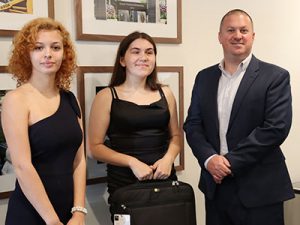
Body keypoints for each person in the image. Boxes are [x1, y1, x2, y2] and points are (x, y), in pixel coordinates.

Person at [184, 9, 294, 225]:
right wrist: (209, 160)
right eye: (231, 30)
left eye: (244, 30)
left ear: (253, 36)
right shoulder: (204, 77)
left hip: (260, 191)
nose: (237, 35)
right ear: (220, 36)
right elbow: (193, 125)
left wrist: (227, 163)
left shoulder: (275, 77)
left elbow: (275, 129)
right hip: (215, 188)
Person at [88, 31, 182, 219]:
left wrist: (168, 159)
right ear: (122, 60)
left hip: (164, 181)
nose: (143, 57)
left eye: (149, 52)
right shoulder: (106, 96)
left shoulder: (166, 93)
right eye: (136, 52)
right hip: (124, 185)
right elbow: (94, 149)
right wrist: (132, 162)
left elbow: (176, 137)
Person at [2, 17, 86, 225]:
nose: (48, 54)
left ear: (64, 53)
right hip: (32, 213)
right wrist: (53, 221)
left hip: (69, 211)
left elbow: (79, 160)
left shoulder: (70, 98)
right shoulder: (16, 100)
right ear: (26, 54)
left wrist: (79, 211)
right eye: (38, 48)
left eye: (55, 47)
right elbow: (22, 166)